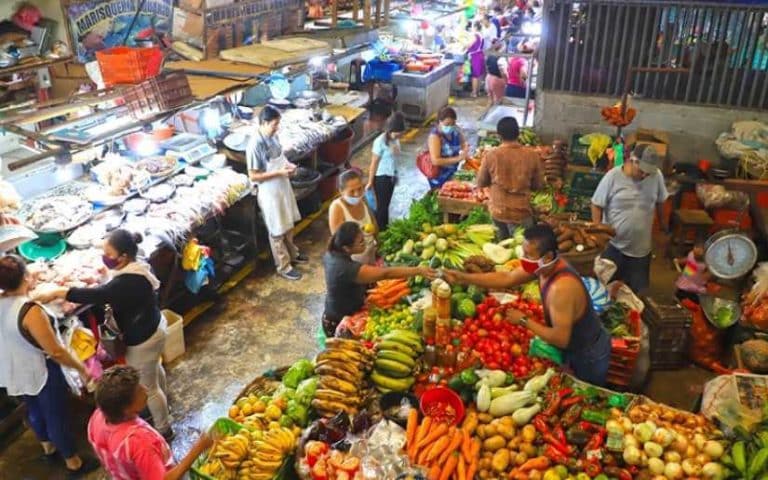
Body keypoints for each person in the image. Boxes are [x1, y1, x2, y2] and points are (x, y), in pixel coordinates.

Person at [33, 229, 173, 439]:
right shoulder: (139, 263)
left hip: (143, 338)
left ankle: (164, 428)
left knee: (148, 387)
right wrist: (94, 242)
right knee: (153, 370)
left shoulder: (125, 282)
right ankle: (161, 402)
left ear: (123, 257)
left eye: (108, 253)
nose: (104, 256)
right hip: (154, 325)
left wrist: (57, 292)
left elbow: (98, 294)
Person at [442, 224, 611, 385]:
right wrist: (462, 277)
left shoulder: (561, 288)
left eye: (528, 255)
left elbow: (561, 339)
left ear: (548, 257)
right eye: (523, 252)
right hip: (575, 345)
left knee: (586, 396)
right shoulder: (544, 267)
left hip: (588, 354)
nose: (523, 258)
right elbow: (507, 278)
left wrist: (524, 320)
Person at [0, 255, 99, 477]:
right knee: (56, 415)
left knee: (34, 409)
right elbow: (55, 351)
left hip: (13, 369)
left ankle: (48, 448)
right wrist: (81, 369)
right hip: (40, 370)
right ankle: (73, 463)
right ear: (26, 276)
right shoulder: (30, 311)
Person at [89, 365, 213, 480]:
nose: (145, 389)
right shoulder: (139, 443)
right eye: (138, 390)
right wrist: (198, 448)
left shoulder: (97, 417)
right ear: (127, 409)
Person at [322, 222, 432, 336]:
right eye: (360, 242)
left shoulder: (331, 253)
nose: (365, 242)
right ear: (346, 248)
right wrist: (418, 270)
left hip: (336, 310)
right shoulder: (346, 269)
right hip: (341, 322)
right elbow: (385, 274)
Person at [591, 144, 669, 294]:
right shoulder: (613, 176)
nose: (645, 175)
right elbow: (596, 204)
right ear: (633, 160)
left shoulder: (656, 175)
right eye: (642, 171)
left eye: (648, 172)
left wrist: (663, 225)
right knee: (606, 289)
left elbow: (660, 201)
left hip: (641, 250)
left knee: (636, 293)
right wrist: (598, 230)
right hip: (614, 246)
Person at [246, 105, 306, 281]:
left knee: (288, 223)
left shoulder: (273, 136)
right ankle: (284, 266)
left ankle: (293, 254)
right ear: (264, 123)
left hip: (282, 186)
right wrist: (280, 173)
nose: (276, 128)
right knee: (277, 230)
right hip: (269, 192)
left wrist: (288, 166)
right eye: (274, 124)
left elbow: (280, 156)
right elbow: (254, 176)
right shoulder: (255, 145)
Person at [477, 117, 543, 238]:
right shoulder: (532, 155)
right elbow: (538, 185)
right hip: (522, 212)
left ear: (499, 135)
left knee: (501, 248)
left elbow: (481, 182)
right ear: (518, 133)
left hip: (498, 211)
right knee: (521, 249)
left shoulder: (491, 155)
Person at [366, 112, 406, 229]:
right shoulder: (379, 142)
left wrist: (396, 151)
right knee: (381, 207)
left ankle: (385, 227)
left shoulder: (395, 140)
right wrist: (370, 181)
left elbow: (396, 156)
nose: (399, 136)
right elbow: (374, 163)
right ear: (390, 130)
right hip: (381, 178)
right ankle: (380, 229)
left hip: (391, 176)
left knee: (386, 205)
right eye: (397, 134)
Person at [329, 170, 378, 264]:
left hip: (370, 253)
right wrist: (360, 233)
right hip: (353, 262)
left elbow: (373, 221)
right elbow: (339, 242)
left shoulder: (362, 199)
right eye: (351, 191)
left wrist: (378, 241)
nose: (357, 194)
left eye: (360, 189)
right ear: (341, 191)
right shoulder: (337, 208)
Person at [426, 107, 469, 190]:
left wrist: (465, 150)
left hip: (452, 173)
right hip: (439, 177)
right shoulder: (435, 137)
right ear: (439, 122)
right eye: (447, 124)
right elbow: (435, 160)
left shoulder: (455, 130)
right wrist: (458, 158)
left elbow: (463, 142)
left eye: (452, 124)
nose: (450, 126)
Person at [466, 21, 486, 97]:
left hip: (475, 56)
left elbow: (469, 45)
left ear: (475, 27)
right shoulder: (481, 35)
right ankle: (478, 91)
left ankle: (474, 93)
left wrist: (465, 44)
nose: (471, 28)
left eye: (473, 26)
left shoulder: (475, 35)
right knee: (479, 74)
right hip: (480, 55)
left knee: (475, 75)